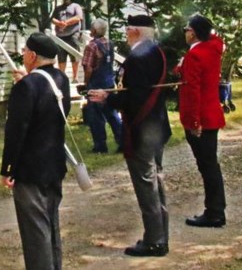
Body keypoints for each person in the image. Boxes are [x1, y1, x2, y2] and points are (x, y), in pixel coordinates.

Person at [89, 14, 171, 257]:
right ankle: (160, 234)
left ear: (135, 31)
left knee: (147, 186)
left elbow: (135, 97)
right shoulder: (157, 52)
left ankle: (155, 241)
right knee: (156, 182)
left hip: (142, 129)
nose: (125, 35)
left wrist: (108, 98)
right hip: (157, 126)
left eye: (127, 31)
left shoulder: (137, 58)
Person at [0, 32, 71, 270]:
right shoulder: (61, 78)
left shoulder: (27, 86)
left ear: (31, 55)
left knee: (35, 232)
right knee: (50, 224)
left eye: (24, 53)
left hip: (30, 168)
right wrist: (27, 82)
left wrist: (8, 168)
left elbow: (16, 130)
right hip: (54, 162)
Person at [176, 13, 227, 227]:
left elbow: (192, 91)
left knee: (207, 166)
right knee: (210, 164)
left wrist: (194, 121)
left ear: (194, 33)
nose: (185, 33)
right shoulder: (212, 48)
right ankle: (216, 209)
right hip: (212, 113)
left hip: (201, 117)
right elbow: (216, 39)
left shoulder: (194, 55)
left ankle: (214, 212)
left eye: (187, 30)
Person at [80, 19, 123, 154]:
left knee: (95, 116)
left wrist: (87, 84)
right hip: (109, 82)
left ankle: (100, 146)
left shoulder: (91, 46)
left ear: (94, 31)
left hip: (96, 83)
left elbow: (88, 68)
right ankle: (122, 141)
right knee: (112, 113)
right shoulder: (110, 44)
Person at [51, 0, 84, 82]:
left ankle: (75, 78)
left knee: (74, 56)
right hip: (60, 37)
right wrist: (59, 23)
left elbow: (79, 17)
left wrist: (66, 23)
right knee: (61, 57)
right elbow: (53, 19)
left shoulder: (76, 6)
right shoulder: (58, 8)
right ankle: (62, 77)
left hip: (73, 35)